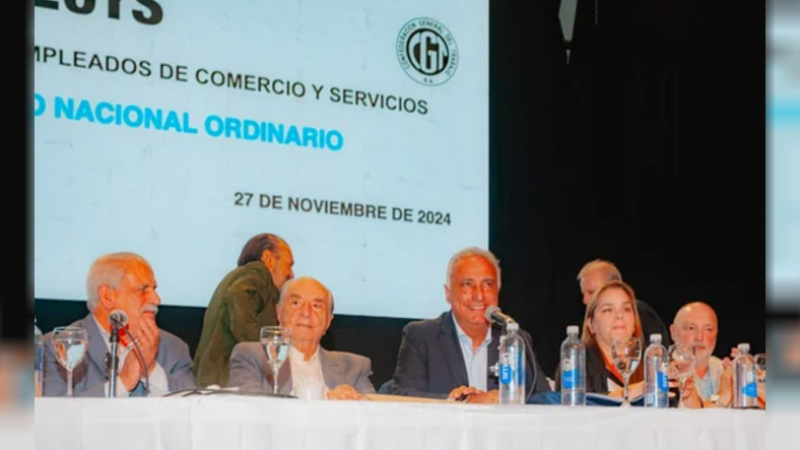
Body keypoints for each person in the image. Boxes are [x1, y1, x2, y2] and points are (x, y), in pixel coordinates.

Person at [389, 247, 551, 403]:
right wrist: (460, 401)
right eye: (467, 284)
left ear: (498, 291)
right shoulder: (422, 336)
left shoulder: (515, 340)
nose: (479, 295)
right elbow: (403, 396)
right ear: (448, 293)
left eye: (488, 284)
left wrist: (507, 400)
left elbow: (544, 398)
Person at [42, 252, 196, 397]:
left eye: (154, 289)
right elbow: (53, 415)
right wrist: (122, 383)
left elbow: (193, 408)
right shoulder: (56, 347)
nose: (156, 299)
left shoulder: (174, 349)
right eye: (143, 290)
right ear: (108, 296)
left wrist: (151, 371)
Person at [228, 277, 375, 399]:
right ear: (279, 313)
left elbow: (378, 415)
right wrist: (327, 400)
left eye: (316, 306)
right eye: (296, 303)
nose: (306, 312)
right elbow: (246, 410)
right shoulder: (252, 355)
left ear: (328, 321)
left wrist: (356, 403)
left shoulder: (354, 367)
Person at [193, 233, 295, 387]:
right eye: (289, 264)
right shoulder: (258, 272)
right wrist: (262, 352)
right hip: (230, 381)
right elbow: (238, 295)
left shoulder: (236, 277)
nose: (291, 274)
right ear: (268, 259)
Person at [577, 259, 671, 348]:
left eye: (592, 292)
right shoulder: (583, 357)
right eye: (583, 293)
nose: (585, 300)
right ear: (591, 325)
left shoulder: (642, 314)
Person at [668, 301, 734, 408]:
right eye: (691, 328)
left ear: (716, 334)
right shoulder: (662, 373)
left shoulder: (725, 369)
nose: (699, 337)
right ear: (673, 332)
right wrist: (722, 397)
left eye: (708, 329)